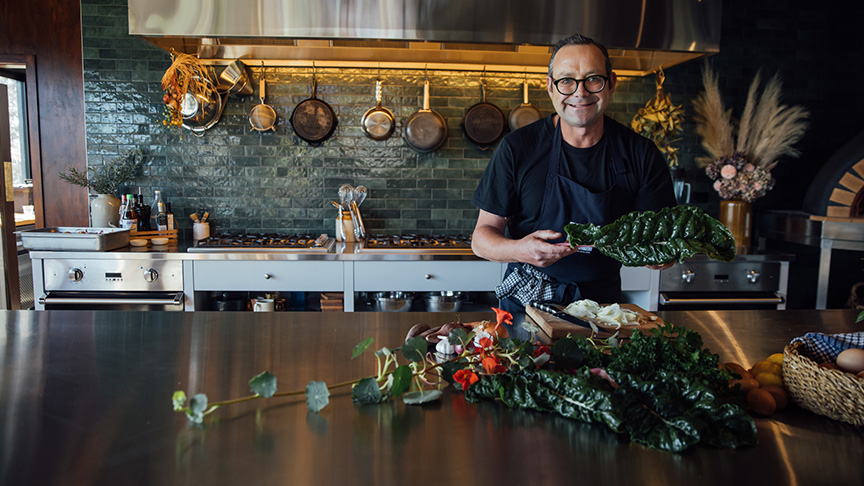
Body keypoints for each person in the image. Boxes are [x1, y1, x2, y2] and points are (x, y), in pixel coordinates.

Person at [470, 33, 676, 333]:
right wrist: (520, 250)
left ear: (612, 83)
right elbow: (481, 239)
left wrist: (661, 255)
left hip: (603, 313)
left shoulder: (641, 154)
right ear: (551, 86)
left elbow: (662, 241)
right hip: (526, 309)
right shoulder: (519, 148)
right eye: (567, 80)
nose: (580, 92)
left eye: (593, 79)